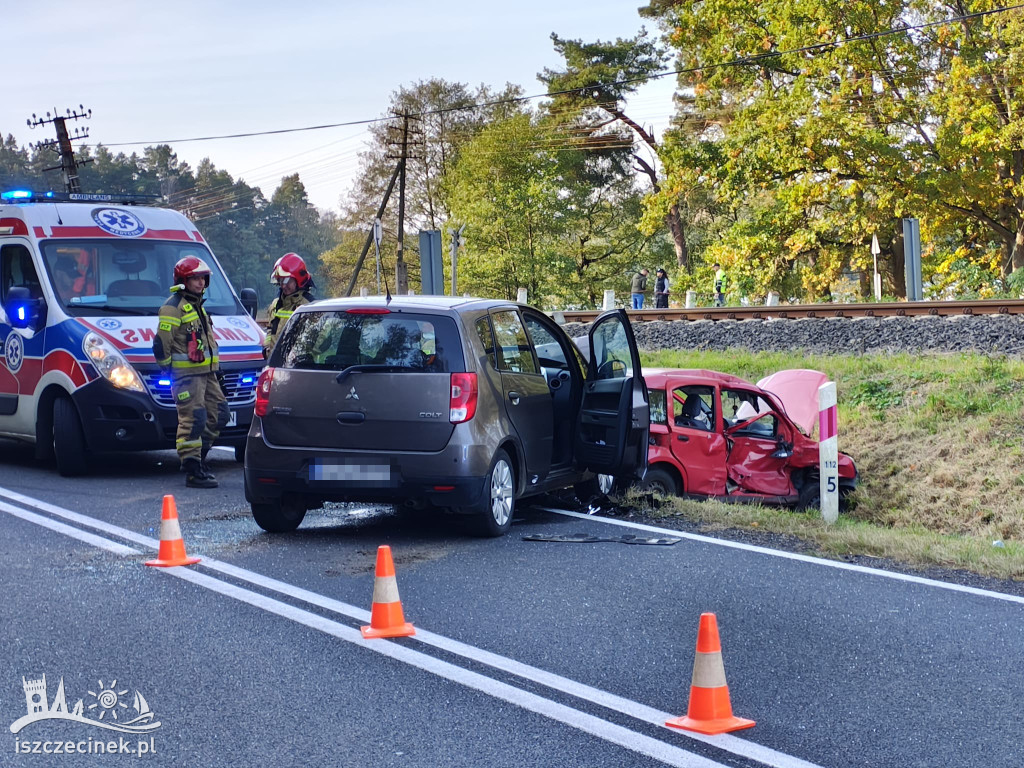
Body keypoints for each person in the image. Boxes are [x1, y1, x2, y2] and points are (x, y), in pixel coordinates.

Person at [153, 256, 229, 489]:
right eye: (195, 278)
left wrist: (216, 369)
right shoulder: (172, 306)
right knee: (193, 420)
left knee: (220, 414)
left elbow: (206, 342)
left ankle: (198, 459)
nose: (200, 283)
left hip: (206, 374)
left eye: (202, 278)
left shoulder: (197, 305)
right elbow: (161, 344)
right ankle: (193, 469)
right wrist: (170, 370)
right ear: (183, 280)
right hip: (186, 377)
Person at [263, 252, 315, 359]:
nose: (283, 285)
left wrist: (298, 355)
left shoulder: (309, 306)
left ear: (298, 280)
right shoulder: (276, 304)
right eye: (281, 281)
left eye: (287, 280)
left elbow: (317, 338)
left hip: (298, 367)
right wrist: (267, 347)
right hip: (275, 364)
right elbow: (270, 329)